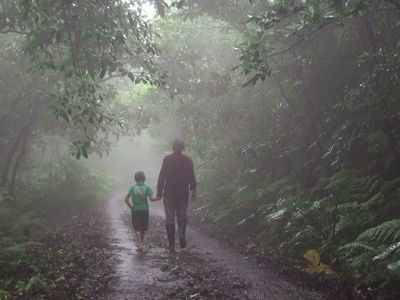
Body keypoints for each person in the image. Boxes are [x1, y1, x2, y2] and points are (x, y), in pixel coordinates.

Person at [157, 138, 197, 252]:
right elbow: (192, 177)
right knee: (182, 217)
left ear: (173, 147)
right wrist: (193, 190)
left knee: (169, 219)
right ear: (183, 148)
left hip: (169, 193)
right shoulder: (188, 160)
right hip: (182, 194)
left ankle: (171, 244)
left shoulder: (167, 159)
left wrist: (159, 193)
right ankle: (181, 235)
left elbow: (162, 177)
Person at [124, 171, 158, 252]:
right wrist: (159, 197)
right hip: (145, 210)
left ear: (135, 179)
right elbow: (152, 199)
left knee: (137, 228)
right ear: (144, 178)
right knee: (143, 228)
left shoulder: (132, 188)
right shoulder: (147, 188)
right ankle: (142, 243)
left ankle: (140, 244)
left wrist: (131, 208)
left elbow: (126, 199)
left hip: (136, 211)